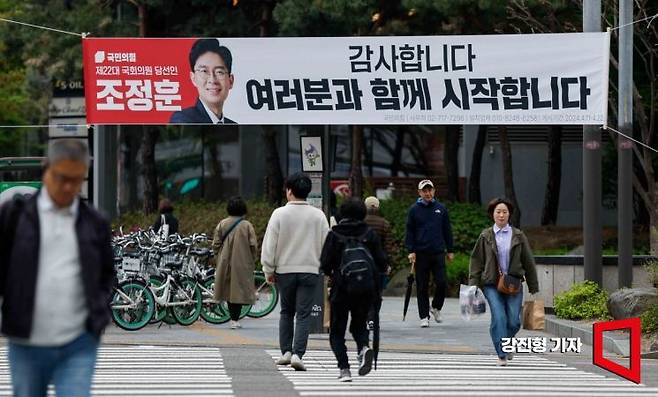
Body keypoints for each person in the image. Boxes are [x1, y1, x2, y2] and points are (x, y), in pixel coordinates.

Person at [0, 139, 115, 397]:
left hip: (79, 341)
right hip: (26, 341)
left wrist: (99, 312)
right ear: (46, 168)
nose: (67, 187)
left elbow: (107, 274)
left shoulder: (94, 222)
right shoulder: (15, 215)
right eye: (61, 177)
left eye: (76, 180)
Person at [261, 172, 329, 371]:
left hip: (285, 270)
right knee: (304, 314)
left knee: (286, 311)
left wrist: (268, 270)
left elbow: (269, 245)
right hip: (310, 270)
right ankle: (298, 353)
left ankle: (286, 352)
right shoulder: (318, 215)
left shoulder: (279, 214)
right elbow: (327, 244)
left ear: (289, 190)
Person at [320, 198, 387, 382]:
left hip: (341, 289)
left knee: (337, 331)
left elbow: (325, 264)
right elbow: (382, 262)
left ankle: (344, 369)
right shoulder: (369, 234)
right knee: (359, 325)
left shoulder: (334, 234)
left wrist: (332, 272)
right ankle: (364, 348)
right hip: (365, 289)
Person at [468, 197, 539, 366]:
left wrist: (533, 285)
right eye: (498, 212)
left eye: (504, 212)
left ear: (509, 215)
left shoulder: (518, 235)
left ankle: (507, 343)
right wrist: (474, 285)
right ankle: (502, 353)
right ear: (492, 214)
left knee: (514, 321)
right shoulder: (485, 236)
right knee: (499, 317)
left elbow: (528, 261)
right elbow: (476, 260)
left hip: (513, 282)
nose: (501, 215)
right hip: (491, 283)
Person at [405, 179, 454, 328]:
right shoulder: (414, 210)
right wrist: (411, 250)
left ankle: (436, 307)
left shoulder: (441, 208)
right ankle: (423, 316)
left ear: (434, 191)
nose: (427, 193)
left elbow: (447, 230)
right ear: (419, 192)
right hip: (421, 253)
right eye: (424, 191)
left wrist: (450, 249)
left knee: (441, 282)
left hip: (438, 251)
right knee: (422, 286)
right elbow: (410, 231)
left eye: (430, 190)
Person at [212, 196, 257, 329]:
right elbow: (253, 245)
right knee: (239, 289)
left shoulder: (222, 224)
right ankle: (235, 319)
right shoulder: (247, 225)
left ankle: (232, 318)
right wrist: (252, 258)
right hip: (243, 261)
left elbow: (216, 244)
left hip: (224, 261)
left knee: (227, 289)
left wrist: (218, 257)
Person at [170, 38, 236, 124]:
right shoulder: (183, 119)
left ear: (230, 81)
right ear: (193, 78)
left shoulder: (233, 125)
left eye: (219, 72)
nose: (212, 80)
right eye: (204, 71)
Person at [363, 196, 392, 329]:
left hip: (363, 263)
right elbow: (388, 247)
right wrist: (388, 263)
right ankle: (373, 318)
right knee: (377, 293)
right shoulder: (384, 223)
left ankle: (366, 317)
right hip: (379, 264)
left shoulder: (361, 223)